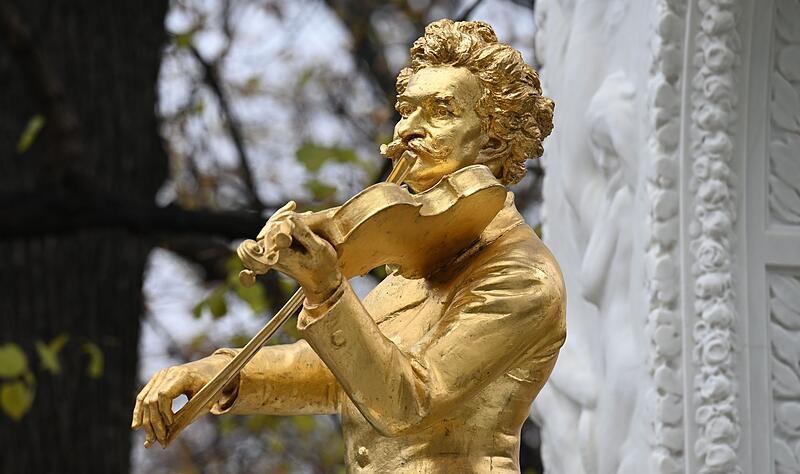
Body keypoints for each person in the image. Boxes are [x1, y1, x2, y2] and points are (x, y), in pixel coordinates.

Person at [133, 19, 564, 473]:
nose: (406, 133)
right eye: (406, 111)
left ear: (495, 137)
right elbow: (335, 372)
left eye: (440, 111)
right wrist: (215, 375)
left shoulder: (521, 275)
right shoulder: (421, 256)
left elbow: (411, 400)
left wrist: (328, 291)